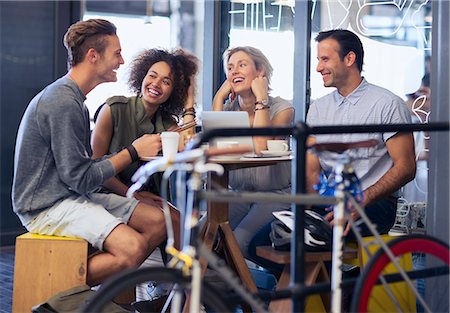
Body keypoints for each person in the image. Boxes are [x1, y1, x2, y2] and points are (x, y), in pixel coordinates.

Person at [12, 19, 170, 286]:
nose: (122, 61)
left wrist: (131, 151)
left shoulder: (76, 101)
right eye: (117, 53)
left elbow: (84, 170)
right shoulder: (62, 101)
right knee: (131, 248)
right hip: (44, 207)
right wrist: (133, 151)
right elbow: (81, 178)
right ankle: (50, 290)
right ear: (93, 56)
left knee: (157, 221)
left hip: (72, 196)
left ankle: (91, 292)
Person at [306, 29, 416, 238]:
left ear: (349, 58)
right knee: (266, 241)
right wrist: (307, 209)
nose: (319, 67)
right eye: (318, 60)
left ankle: (335, 271)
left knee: (310, 241)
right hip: (331, 202)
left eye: (325, 59)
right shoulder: (318, 109)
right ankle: (337, 272)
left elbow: (407, 167)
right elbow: (311, 172)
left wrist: (361, 200)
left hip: (375, 203)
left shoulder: (387, 104)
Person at [212, 46, 295, 259]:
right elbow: (214, 144)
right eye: (230, 68)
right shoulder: (229, 110)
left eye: (242, 65)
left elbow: (261, 145)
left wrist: (261, 98)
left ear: (260, 72)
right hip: (238, 194)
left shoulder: (283, 109)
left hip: (274, 195)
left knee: (238, 241)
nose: (234, 72)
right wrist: (219, 98)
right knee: (203, 235)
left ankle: (241, 292)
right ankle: (210, 292)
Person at [91, 48, 198, 207]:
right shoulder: (114, 108)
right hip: (109, 194)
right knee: (170, 224)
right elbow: (95, 167)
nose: (156, 84)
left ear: (174, 91)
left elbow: (188, 148)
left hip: (148, 199)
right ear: (142, 76)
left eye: (166, 81)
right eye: (152, 76)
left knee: (180, 222)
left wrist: (189, 104)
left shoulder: (167, 123)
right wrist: (134, 195)